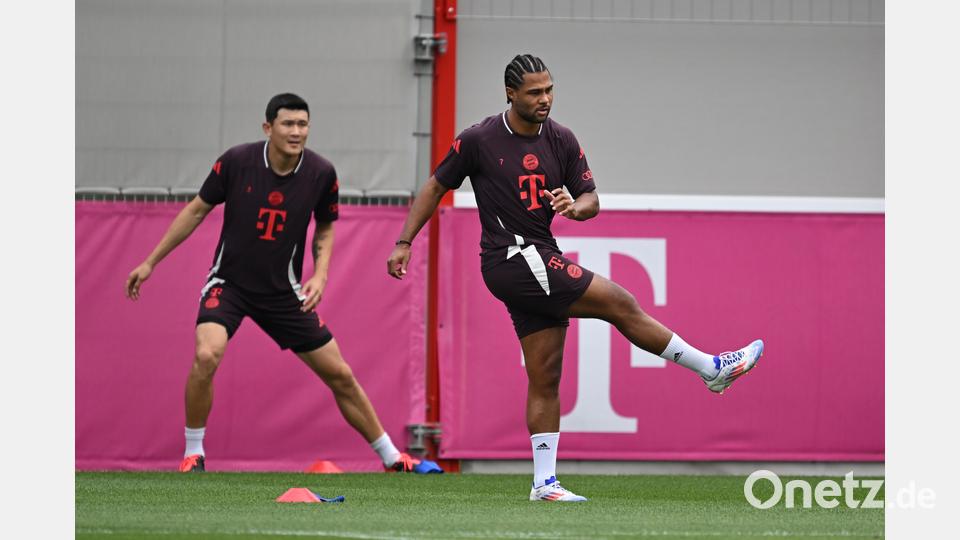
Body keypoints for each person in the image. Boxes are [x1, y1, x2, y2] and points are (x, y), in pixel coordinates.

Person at [387, 55, 763, 501]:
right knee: (620, 302)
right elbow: (435, 185)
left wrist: (574, 207)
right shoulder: (478, 139)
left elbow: (590, 199)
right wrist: (405, 241)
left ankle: (544, 484)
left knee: (546, 375)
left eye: (549, 89)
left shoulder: (561, 138)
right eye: (534, 92)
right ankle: (711, 368)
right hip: (513, 257)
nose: (544, 98)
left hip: (539, 255)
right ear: (510, 93)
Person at [126, 93, 441, 475]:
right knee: (207, 355)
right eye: (288, 124)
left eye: (302, 124)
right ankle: (194, 454)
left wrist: (320, 273)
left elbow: (325, 228)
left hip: (283, 293)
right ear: (268, 128)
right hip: (230, 285)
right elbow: (195, 211)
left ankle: (393, 458)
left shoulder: (321, 173)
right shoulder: (236, 162)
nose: (296, 132)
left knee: (340, 374)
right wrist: (150, 262)